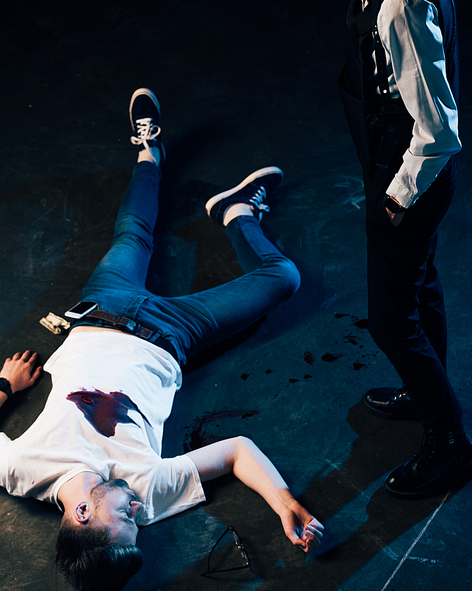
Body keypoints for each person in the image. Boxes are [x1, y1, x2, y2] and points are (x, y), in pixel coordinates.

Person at [0, 88, 323, 591]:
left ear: (82, 512)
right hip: (174, 334)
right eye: (136, 519)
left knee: (133, 233)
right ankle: (237, 213)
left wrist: (5, 386)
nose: (134, 511)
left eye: (123, 517)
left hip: (101, 312)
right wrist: (286, 501)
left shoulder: (23, 469)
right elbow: (238, 451)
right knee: (284, 278)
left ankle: (148, 151)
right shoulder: (147, 493)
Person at [268, 0, 472, 499]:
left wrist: (396, 196)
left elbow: (438, 128)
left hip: (410, 179)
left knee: (391, 321)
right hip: (413, 175)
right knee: (420, 287)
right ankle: (425, 392)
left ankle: (450, 446)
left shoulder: (398, 3)